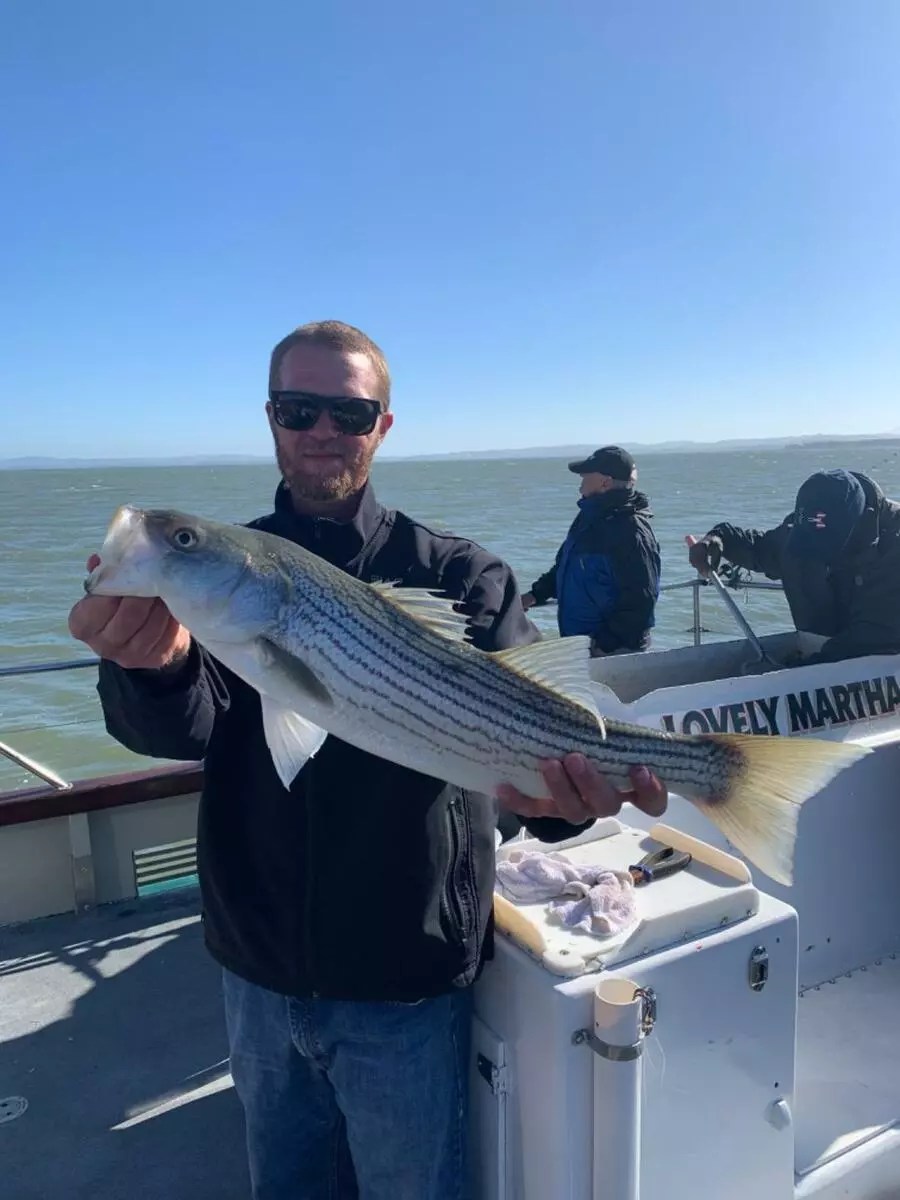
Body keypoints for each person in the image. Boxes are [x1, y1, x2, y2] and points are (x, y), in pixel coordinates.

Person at [67, 321, 667, 1200]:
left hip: (406, 976)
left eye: (349, 412)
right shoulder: (223, 580)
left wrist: (576, 798)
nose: (322, 429)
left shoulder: (464, 574)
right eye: (299, 407)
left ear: (382, 427)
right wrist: (149, 667)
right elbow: (180, 730)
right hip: (259, 968)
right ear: (271, 418)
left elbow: (534, 774)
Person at [687, 467, 900, 664]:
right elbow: (762, 548)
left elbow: (880, 633)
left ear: (862, 524)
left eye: (825, 548)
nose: (815, 556)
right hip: (814, 669)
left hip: (874, 670)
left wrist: (810, 667)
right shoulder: (801, 530)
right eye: (808, 545)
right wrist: (719, 539)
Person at [522, 446, 661, 656]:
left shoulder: (631, 531)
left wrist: (602, 644)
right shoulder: (588, 519)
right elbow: (565, 567)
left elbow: (641, 600)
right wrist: (535, 594)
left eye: (585, 478)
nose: (580, 488)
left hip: (611, 652)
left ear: (605, 482)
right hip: (580, 647)